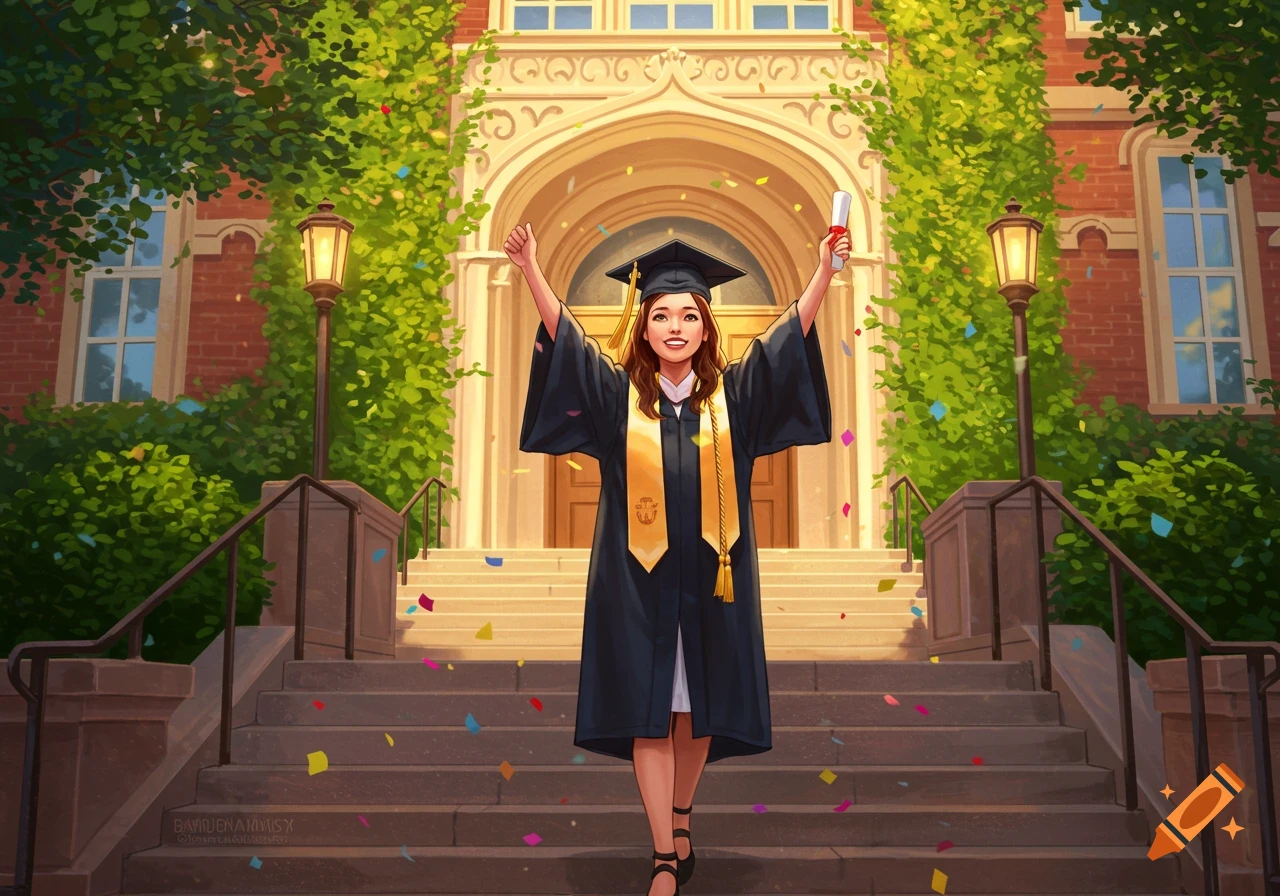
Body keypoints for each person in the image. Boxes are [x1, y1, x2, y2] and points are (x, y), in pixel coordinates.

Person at [508, 223, 848, 896]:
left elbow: (786, 345)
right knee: (649, 710)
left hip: (715, 582)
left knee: (696, 715)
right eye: (661, 314)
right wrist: (531, 272)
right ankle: (665, 855)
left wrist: (825, 274)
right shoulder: (619, 401)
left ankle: (682, 813)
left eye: (688, 315)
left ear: (705, 329)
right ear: (643, 327)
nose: (674, 325)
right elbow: (570, 348)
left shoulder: (733, 400)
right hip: (635, 584)